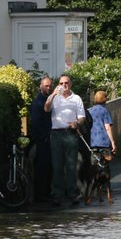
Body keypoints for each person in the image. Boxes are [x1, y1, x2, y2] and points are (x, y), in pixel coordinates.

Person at [43, 73, 86, 207]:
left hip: (70, 133)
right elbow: (46, 108)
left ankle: (72, 194)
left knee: (71, 166)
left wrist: (77, 123)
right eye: (61, 83)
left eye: (66, 83)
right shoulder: (54, 98)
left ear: (70, 84)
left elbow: (82, 117)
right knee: (57, 166)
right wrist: (53, 95)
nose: (63, 85)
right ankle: (57, 195)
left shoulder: (76, 98)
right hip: (56, 134)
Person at [29, 76, 54, 203]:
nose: (48, 88)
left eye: (50, 86)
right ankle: (41, 194)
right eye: (46, 86)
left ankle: (46, 192)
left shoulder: (47, 99)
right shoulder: (38, 102)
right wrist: (43, 137)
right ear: (41, 86)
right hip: (42, 140)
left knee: (48, 167)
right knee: (42, 168)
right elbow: (36, 122)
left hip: (47, 139)